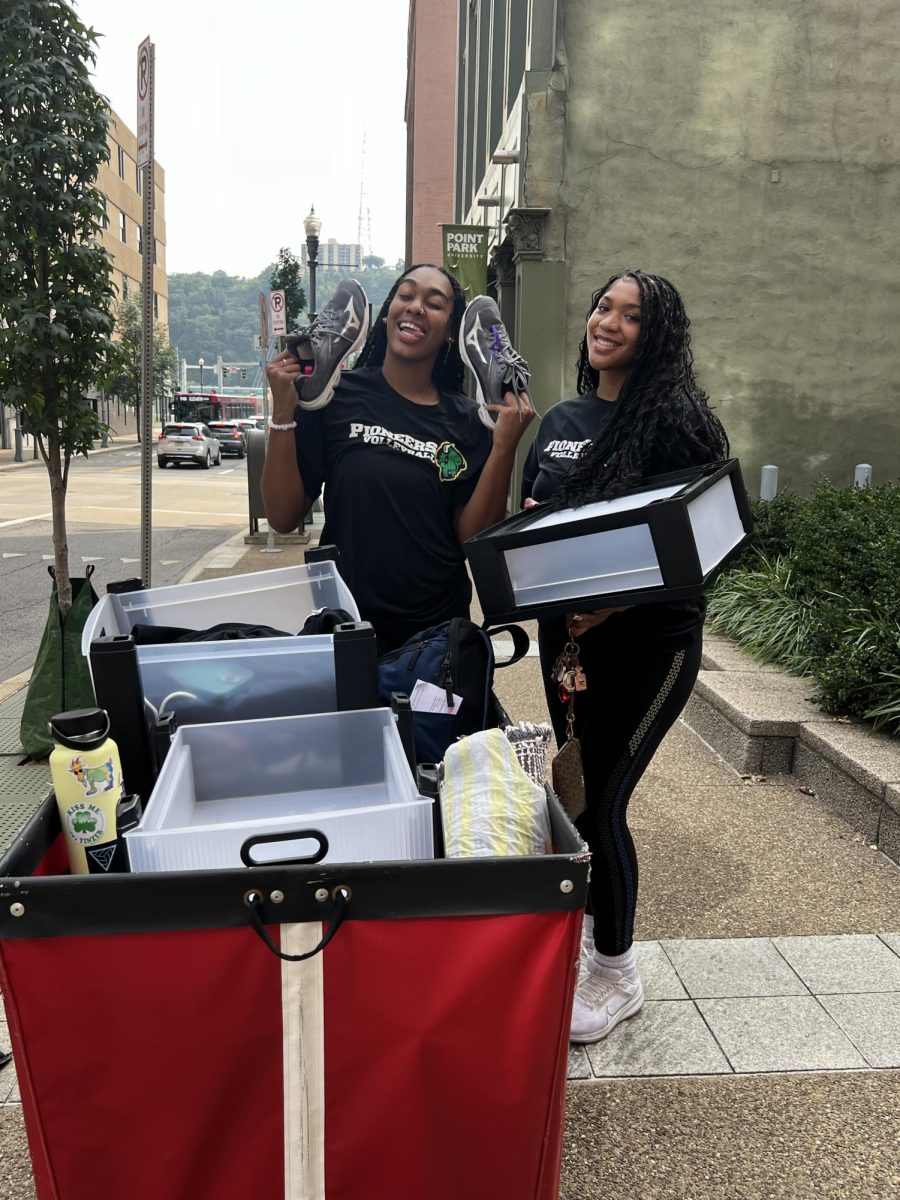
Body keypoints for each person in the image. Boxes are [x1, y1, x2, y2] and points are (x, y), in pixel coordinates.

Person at [521, 270, 730, 1043]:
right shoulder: (563, 418)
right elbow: (539, 522)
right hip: (568, 644)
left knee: (603, 801)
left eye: (631, 315)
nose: (608, 322)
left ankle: (617, 973)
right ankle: (588, 934)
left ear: (657, 336)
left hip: (652, 645)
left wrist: (615, 599)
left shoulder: (679, 424)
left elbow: (703, 547)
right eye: (604, 306)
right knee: (573, 792)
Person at [262, 266, 534, 653]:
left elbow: (470, 539)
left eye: (434, 303)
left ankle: (499, 374)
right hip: (345, 624)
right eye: (405, 296)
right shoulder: (334, 397)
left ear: (452, 332)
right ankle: (319, 352)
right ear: (387, 314)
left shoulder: (467, 421)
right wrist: (284, 413)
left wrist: (505, 447)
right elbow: (283, 518)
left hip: (434, 636)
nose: (416, 307)